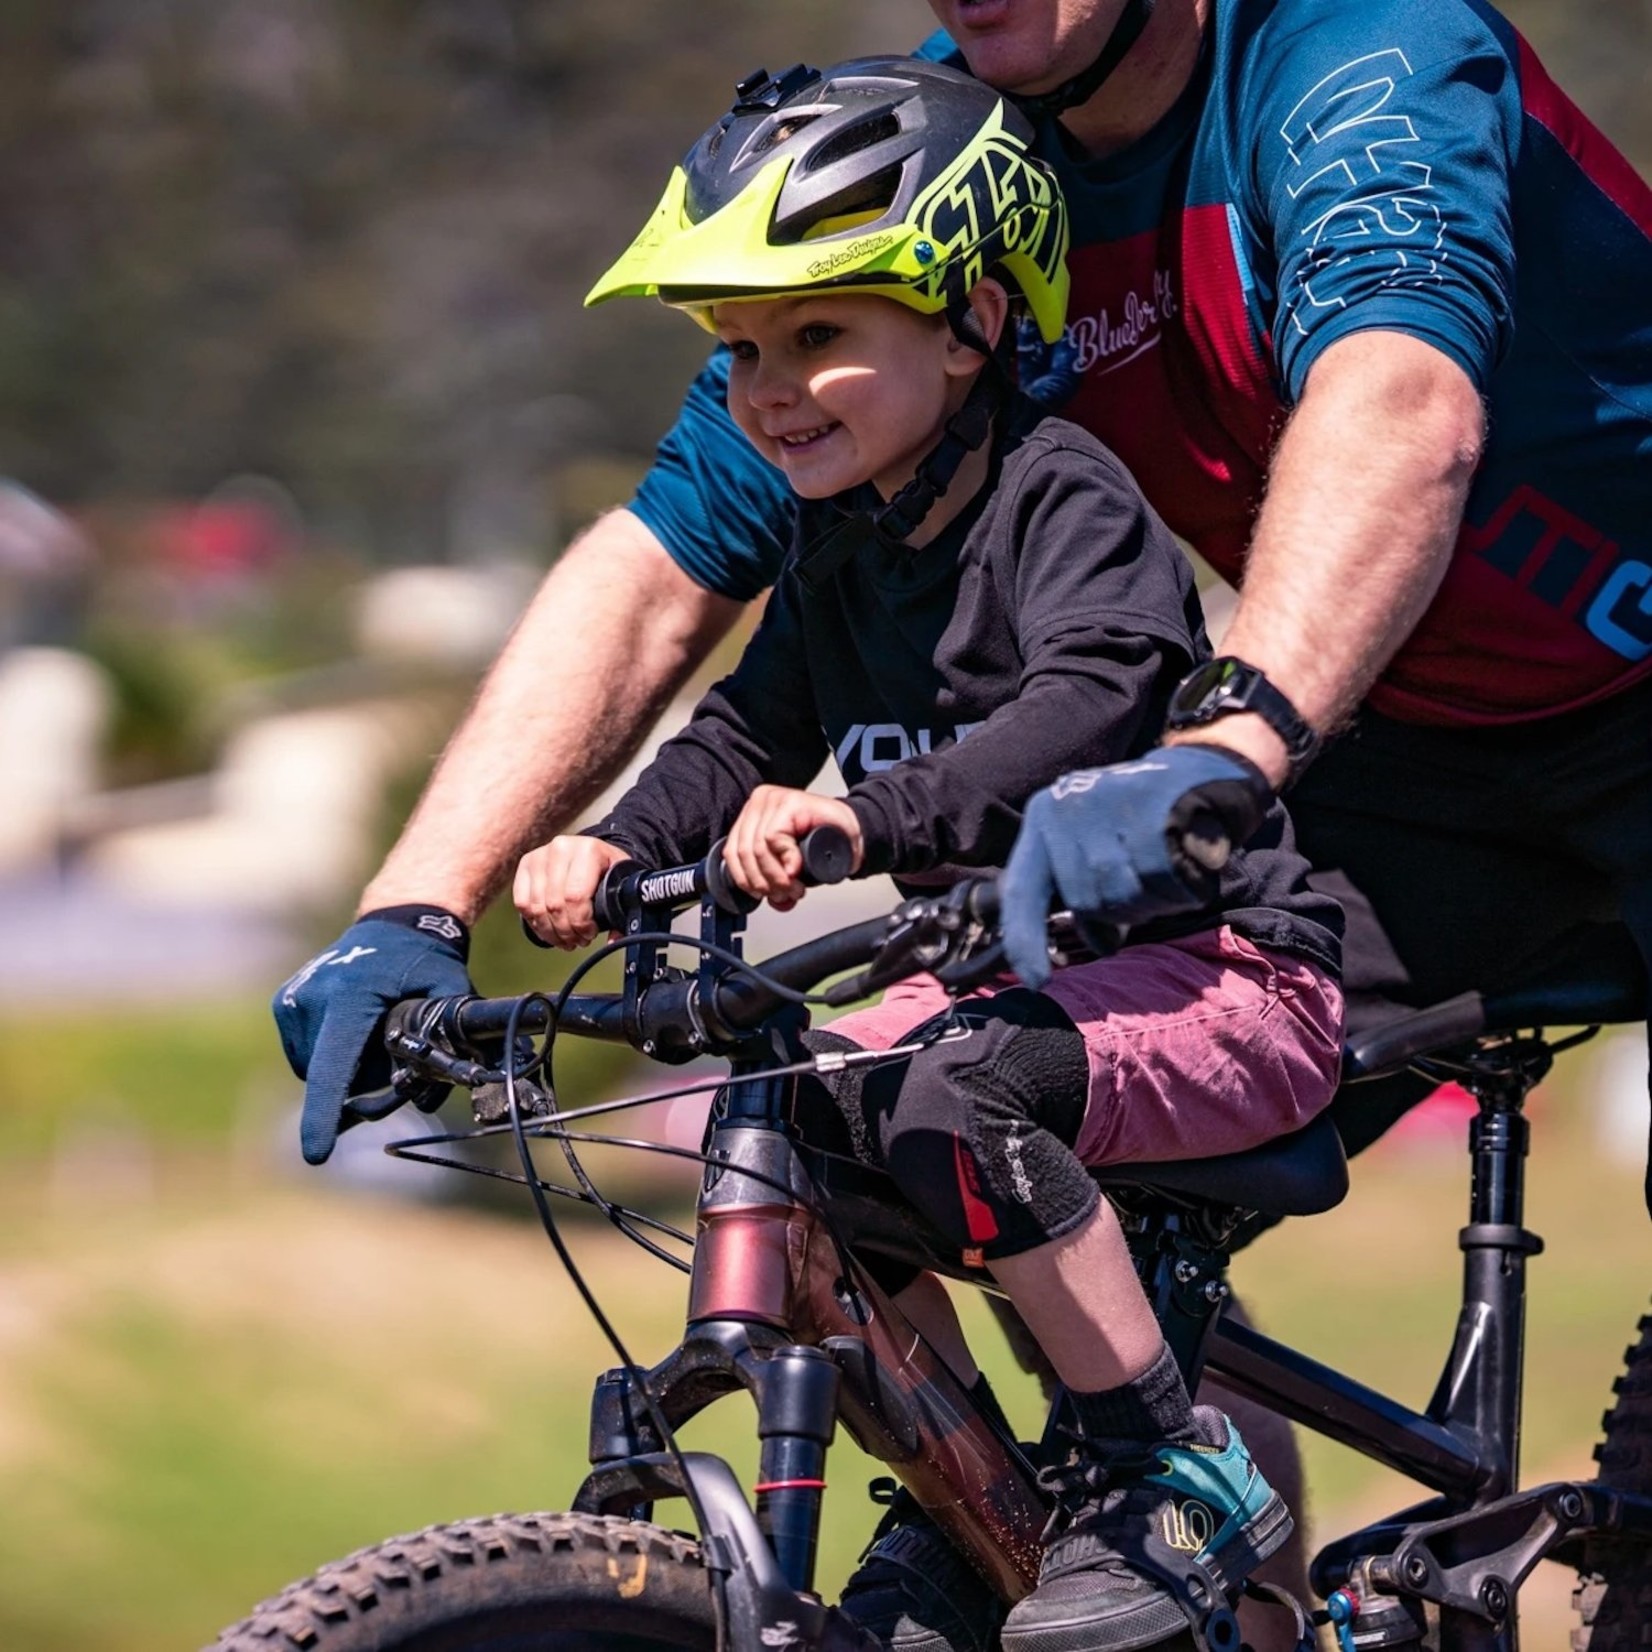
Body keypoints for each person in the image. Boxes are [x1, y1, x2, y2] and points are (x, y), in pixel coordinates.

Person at [273, 0, 1650, 1641]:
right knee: (1039, 1169)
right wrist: (417, 903)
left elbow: (1399, 399)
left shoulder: (1356, 48)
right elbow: (666, 562)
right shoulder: (923, 168)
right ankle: (1186, 1564)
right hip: (1408, 753)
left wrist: (1227, 741)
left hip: (1425, 719)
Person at [509, 58, 1343, 1652]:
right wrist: (611, 844)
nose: (765, 388)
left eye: (821, 336)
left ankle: (1172, 1468)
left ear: (971, 322)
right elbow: (740, 737)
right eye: (744, 349)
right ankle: (976, 1514)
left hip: (1227, 972)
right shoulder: (841, 547)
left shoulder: (1060, 491)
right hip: (1027, 992)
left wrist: (865, 822)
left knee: (957, 1091)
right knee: (798, 1129)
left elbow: (1090, 709)